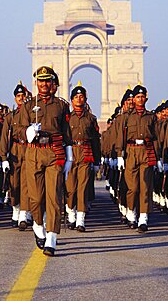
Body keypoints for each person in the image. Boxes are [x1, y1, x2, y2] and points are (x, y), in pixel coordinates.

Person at [18, 66, 72, 256]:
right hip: (33, 153)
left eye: (47, 81)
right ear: (36, 83)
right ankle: (38, 226)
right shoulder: (27, 105)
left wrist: (70, 157)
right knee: (36, 197)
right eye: (40, 81)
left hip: (53, 152)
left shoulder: (61, 105)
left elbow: (67, 133)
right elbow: (18, 130)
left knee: (54, 198)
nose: (44, 85)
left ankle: (51, 238)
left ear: (53, 83)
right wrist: (27, 132)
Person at [116, 85, 158, 233]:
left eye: (142, 97)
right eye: (137, 97)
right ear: (133, 99)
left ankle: (143, 218)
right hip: (130, 152)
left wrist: (157, 158)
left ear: (146, 98)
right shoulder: (126, 117)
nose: (140, 99)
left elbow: (156, 138)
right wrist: (119, 155)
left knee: (145, 186)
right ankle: (131, 212)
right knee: (132, 188)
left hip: (146, 151)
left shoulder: (151, 116)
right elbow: (121, 137)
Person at [65, 84, 100, 231]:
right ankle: (71, 212)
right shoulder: (66, 118)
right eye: (76, 97)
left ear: (85, 99)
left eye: (81, 97)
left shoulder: (91, 118)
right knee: (71, 188)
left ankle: (80, 219)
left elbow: (95, 141)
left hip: (85, 152)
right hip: (70, 153)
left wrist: (97, 161)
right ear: (72, 100)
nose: (79, 99)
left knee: (83, 187)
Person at [0, 82, 32, 230]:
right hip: (14, 150)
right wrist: (4, 158)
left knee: (26, 183)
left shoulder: (32, 114)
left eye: (23, 95)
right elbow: (4, 138)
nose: (21, 98)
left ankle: (24, 215)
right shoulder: (10, 117)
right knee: (14, 184)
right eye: (18, 96)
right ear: (15, 98)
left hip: (27, 149)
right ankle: (16, 210)